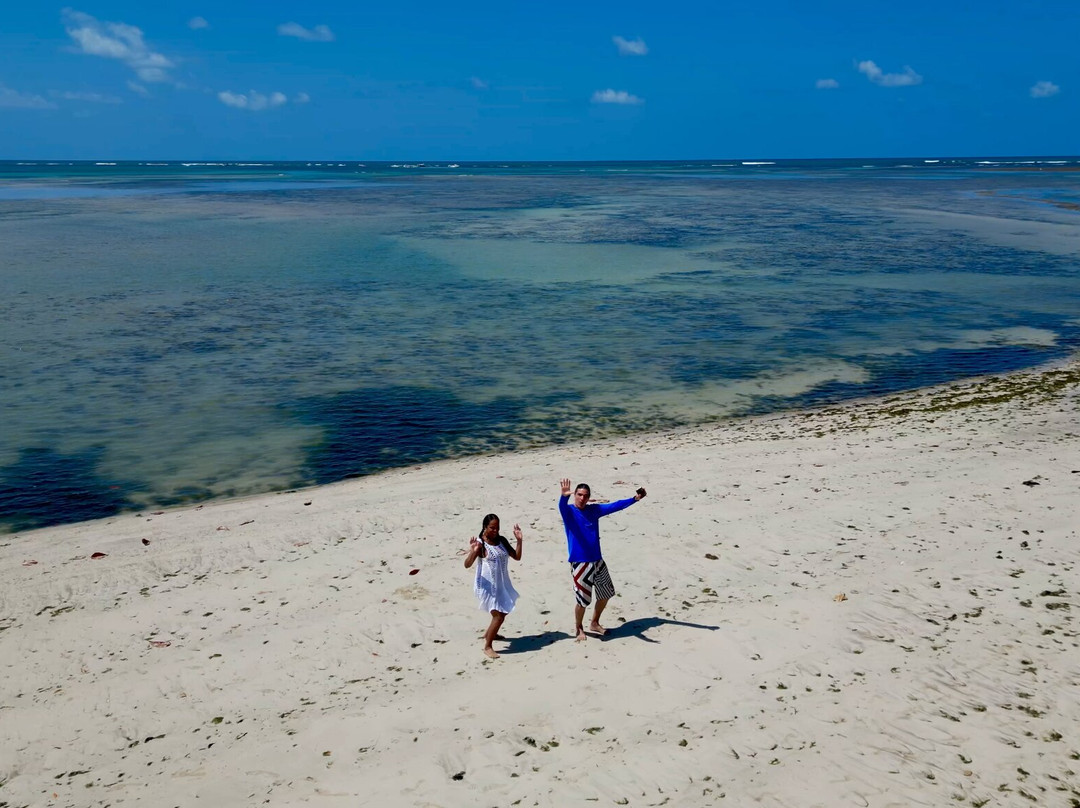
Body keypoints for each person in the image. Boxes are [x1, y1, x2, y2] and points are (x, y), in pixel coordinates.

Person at [557, 478, 646, 641]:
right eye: (579, 495)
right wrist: (564, 496)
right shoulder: (569, 512)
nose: (582, 498)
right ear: (575, 495)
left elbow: (614, 506)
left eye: (585, 495)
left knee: (606, 593)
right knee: (583, 601)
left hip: (597, 560)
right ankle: (578, 628)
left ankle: (595, 623)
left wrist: (634, 499)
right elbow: (562, 506)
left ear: (589, 496)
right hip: (580, 562)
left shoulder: (594, 510)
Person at [463, 513, 523, 659]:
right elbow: (467, 564)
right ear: (485, 527)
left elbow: (517, 556)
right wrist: (473, 551)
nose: (495, 531)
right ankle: (488, 646)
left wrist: (519, 541)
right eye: (492, 528)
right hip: (488, 585)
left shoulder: (501, 540)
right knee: (499, 616)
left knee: (506, 608)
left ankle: (490, 633)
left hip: (502, 582)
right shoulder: (481, 544)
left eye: (497, 528)